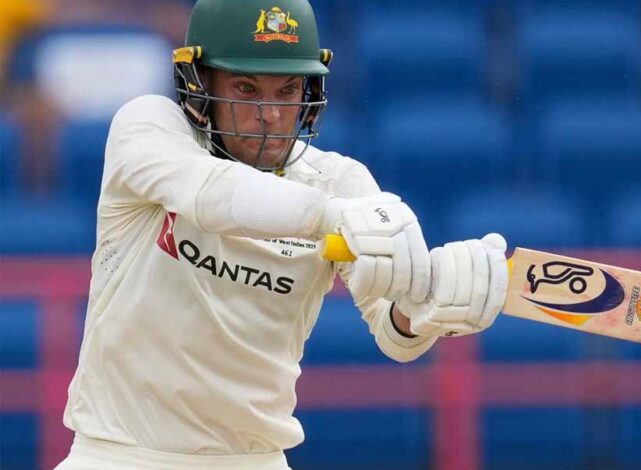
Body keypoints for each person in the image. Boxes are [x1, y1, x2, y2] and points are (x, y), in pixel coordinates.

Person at [54, 0, 508, 468]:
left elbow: (394, 334)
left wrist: (426, 307)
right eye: (246, 88)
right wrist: (331, 215)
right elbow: (211, 194)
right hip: (118, 455)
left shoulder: (338, 182)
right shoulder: (148, 128)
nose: (270, 114)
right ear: (199, 84)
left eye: (287, 89)